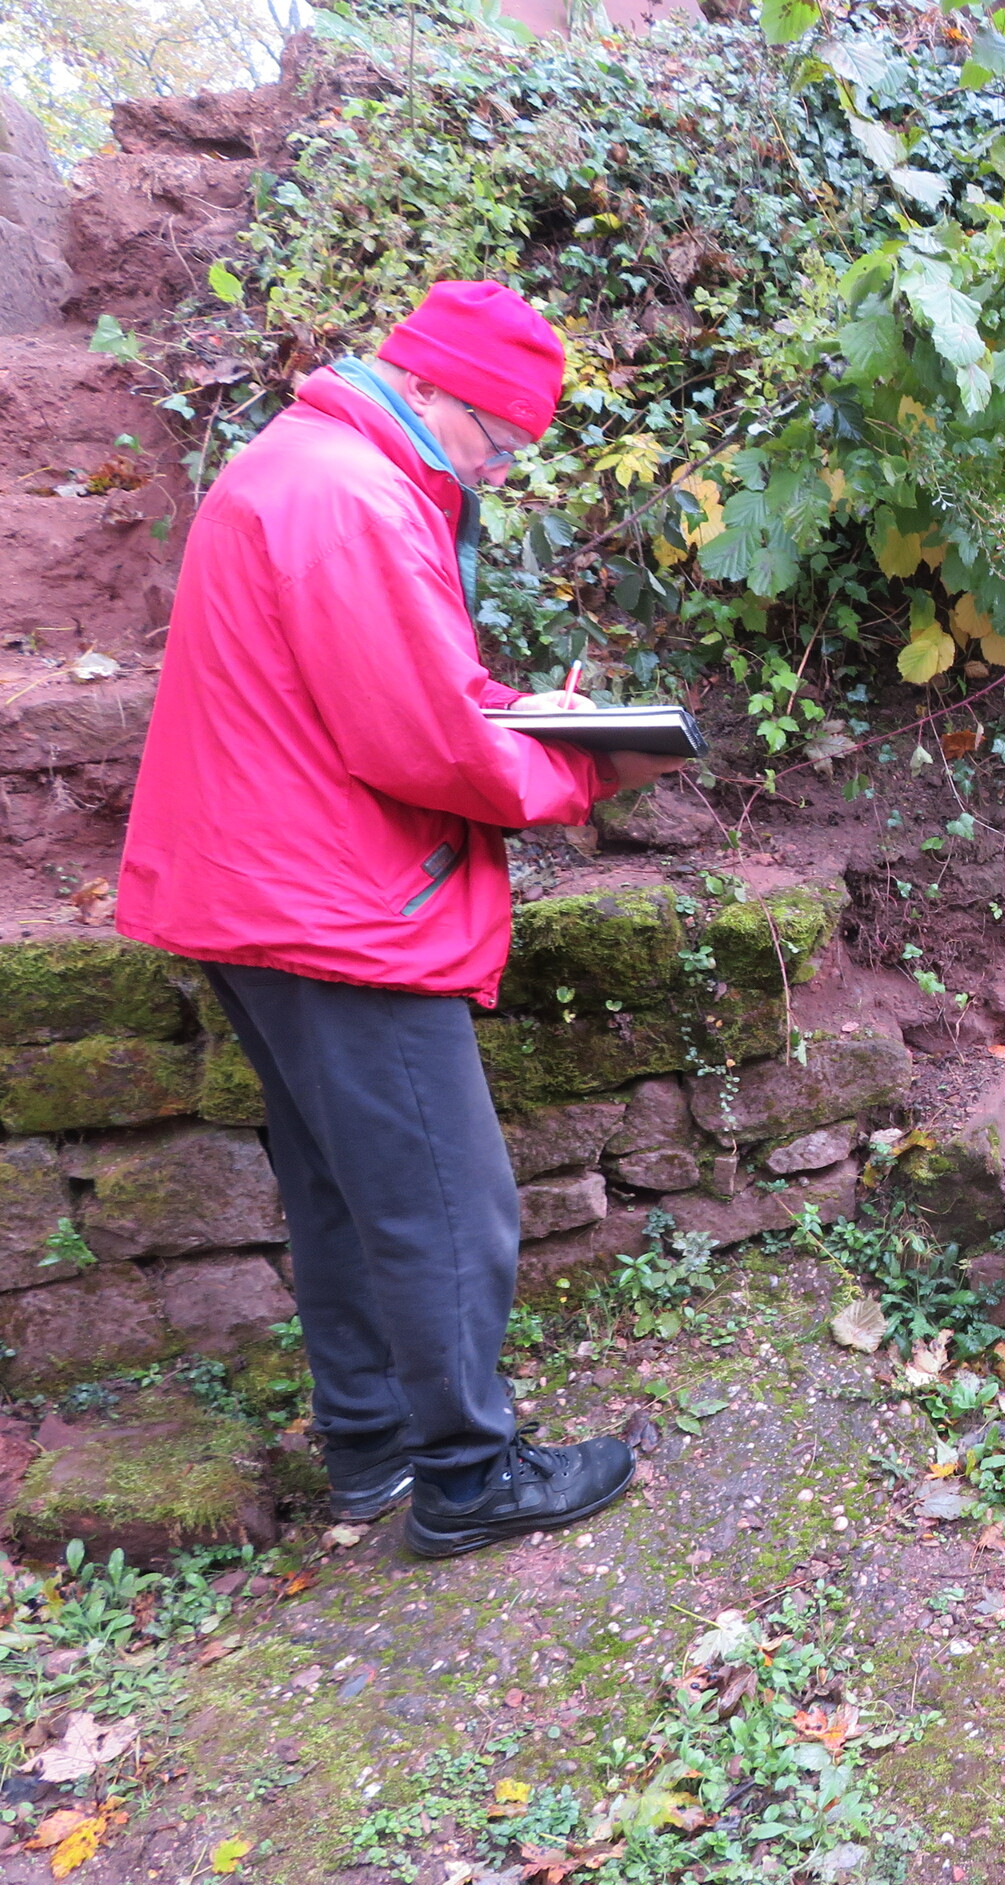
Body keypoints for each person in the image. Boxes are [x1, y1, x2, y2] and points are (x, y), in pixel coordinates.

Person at [118, 281, 689, 1558]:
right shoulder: (357, 500)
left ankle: (371, 1446)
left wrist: (523, 711)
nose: (502, 468)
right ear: (430, 387)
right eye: (500, 438)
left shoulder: (308, 463)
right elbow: (425, 738)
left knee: (342, 1189)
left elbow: (390, 684)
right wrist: (591, 768)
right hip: (337, 905)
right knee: (444, 1200)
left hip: (260, 884)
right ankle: (470, 1480)